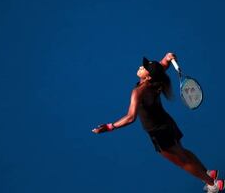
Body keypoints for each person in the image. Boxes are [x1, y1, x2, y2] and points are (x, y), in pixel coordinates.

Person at [92, 53, 224, 193]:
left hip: (159, 133)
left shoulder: (138, 92)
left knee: (182, 161)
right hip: (167, 124)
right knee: (182, 151)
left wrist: (110, 126)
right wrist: (167, 58)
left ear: (148, 77)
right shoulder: (156, 80)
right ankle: (207, 173)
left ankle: (212, 184)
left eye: (144, 68)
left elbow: (131, 117)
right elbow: (161, 67)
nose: (141, 67)